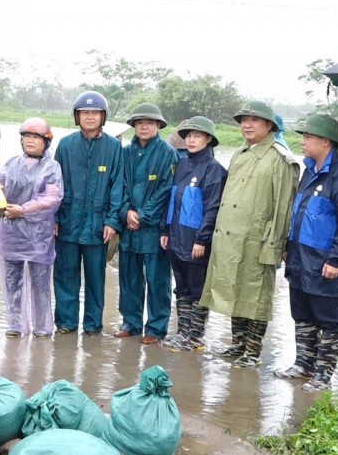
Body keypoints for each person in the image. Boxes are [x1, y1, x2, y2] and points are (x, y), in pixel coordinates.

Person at [200, 100, 299, 367]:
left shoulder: (279, 158)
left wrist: (276, 244)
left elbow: (283, 207)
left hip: (258, 239)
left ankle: (253, 351)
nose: (247, 124)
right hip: (231, 238)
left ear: (269, 126)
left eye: (254, 120)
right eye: (243, 120)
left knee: (256, 295)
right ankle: (238, 344)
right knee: (235, 291)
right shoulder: (240, 154)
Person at [273, 115, 338, 391]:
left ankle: (324, 375)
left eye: (308, 137)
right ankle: (303, 364)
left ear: (326, 141)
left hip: (326, 262)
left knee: (328, 318)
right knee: (301, 313)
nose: (302, 142)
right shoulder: (309, 171)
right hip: (300, 257)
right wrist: (289, 248)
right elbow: (299, 214)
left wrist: (337, 259)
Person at [53, 90, 125, 335]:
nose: (90, 117)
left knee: (96, 278)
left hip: (98, 224)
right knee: (65, 275)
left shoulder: (115, 147)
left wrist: (113, 221)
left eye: (95, 113)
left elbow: (118, 187)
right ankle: (66, 323)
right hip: (68, 221)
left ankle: (93, 325)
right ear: (77, 116)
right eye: (85, 113)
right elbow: (54, 185)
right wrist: (53, 217)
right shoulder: (65, 145)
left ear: (103, 117)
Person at [0, 118, 64, 337]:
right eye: (27, 137)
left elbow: (52, 198)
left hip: (38, 238)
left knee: (40, 284)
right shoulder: (11, 164)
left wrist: (24, 210)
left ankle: (42, 328)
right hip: (10, 233)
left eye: (36, 137)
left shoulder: (51, 168)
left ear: (46, 142)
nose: (30, 141)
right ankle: (15, 325)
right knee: (12, 282)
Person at [161, 116, 227, 352]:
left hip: (196, 241)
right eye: (188, 136)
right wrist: (166, 230)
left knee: (198, 289)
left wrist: (202, 239)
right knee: (182, 288)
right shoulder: (181, 165)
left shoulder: (215, 170)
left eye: (197, 136)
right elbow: (173, 201)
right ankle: (182, 332)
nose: (191, 140)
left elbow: (213, 208)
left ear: (208, 139)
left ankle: (195, 336)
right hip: (176, 237)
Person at [116, 103, 178, 344]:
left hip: (153, 228)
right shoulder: (125, 153)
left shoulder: (167, 153)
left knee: (158, 279)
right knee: (129, 277)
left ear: (159, 125)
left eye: (150, 122)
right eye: (140, 122)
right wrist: (126, 212)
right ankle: (130, 323)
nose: (144, 126)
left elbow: (166, 189)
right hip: (129, 227)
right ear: (133, 126)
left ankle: (155, 327)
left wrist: (143, 214)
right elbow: (118, 185)